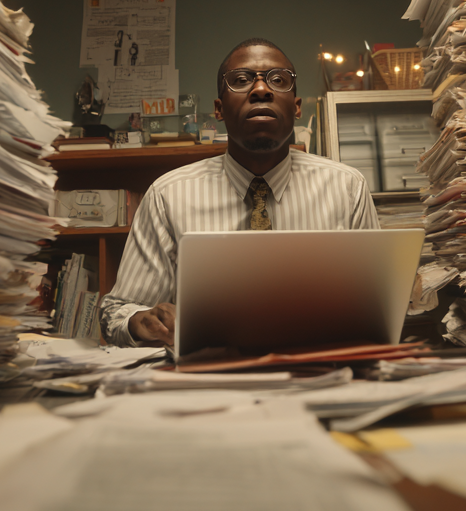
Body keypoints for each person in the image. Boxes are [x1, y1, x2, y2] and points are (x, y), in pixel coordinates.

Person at [99, 38, 379, 347]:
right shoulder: (168, 195)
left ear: (297, 107)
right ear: (218, 110)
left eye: (279, 80)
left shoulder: (347, 188)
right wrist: (142, 322)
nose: (261, 90)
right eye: (241, 80)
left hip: (320, 369)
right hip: (209, 379)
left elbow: (378, 308)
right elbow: (118, 312)